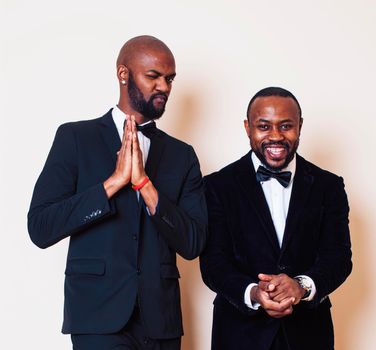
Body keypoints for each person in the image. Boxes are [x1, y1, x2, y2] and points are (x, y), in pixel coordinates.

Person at [28, 35, 207, 350]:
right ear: (123, 74)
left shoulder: (183, 155)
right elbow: (41, 227)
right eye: (153, 76)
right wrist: (113, 183)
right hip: (97, 318)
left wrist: (144, 186)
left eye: (169, 79)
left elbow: (193, 242)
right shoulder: (74, 139)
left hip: (161, 321)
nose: (164, 86)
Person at [200, 87, 352, 350]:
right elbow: (213, 264)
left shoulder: (329, 186)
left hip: (308, 335)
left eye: (285, 126)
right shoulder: (217, 186)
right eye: (264, 126)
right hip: (238, 335)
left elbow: (338, 258)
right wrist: (255, 293)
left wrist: (301, 287)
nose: (275, 136)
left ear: (300, 126)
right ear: (248, 127)